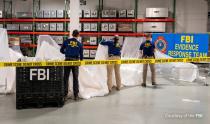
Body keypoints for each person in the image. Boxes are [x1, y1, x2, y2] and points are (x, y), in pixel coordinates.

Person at [60, 29, 83, 100]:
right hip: (75, 61)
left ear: (72, 34)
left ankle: (65, 95)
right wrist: (80, 61)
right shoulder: (79, 44)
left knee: (65, 77)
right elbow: (81, 56)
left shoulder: (66, 41)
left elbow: (61, 50)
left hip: (67, 60)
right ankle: (75, 95)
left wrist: (66, 53)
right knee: (75, 78)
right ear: (78, 35)